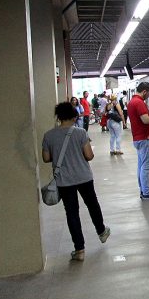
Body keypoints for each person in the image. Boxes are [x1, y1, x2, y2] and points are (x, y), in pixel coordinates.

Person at [41, 101, 111, 261]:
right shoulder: (80, 133)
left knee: (72, 213)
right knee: (92, 204)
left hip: (64, 181)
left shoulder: (49, 135)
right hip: (84, 177)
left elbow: (46, 158)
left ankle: (79, 250)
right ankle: (101, 232)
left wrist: (58, 154)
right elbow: (89, 156)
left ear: (58, 117)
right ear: (73, 116)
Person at [127, 81, 149, 200]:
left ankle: (143, 190)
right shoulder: (139, 102)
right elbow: (146, 120)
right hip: (145, 139)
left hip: (138, 138)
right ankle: (146, 192)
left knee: (141, 166)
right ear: (144, 91)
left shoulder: (132, 102)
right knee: (146, 166)